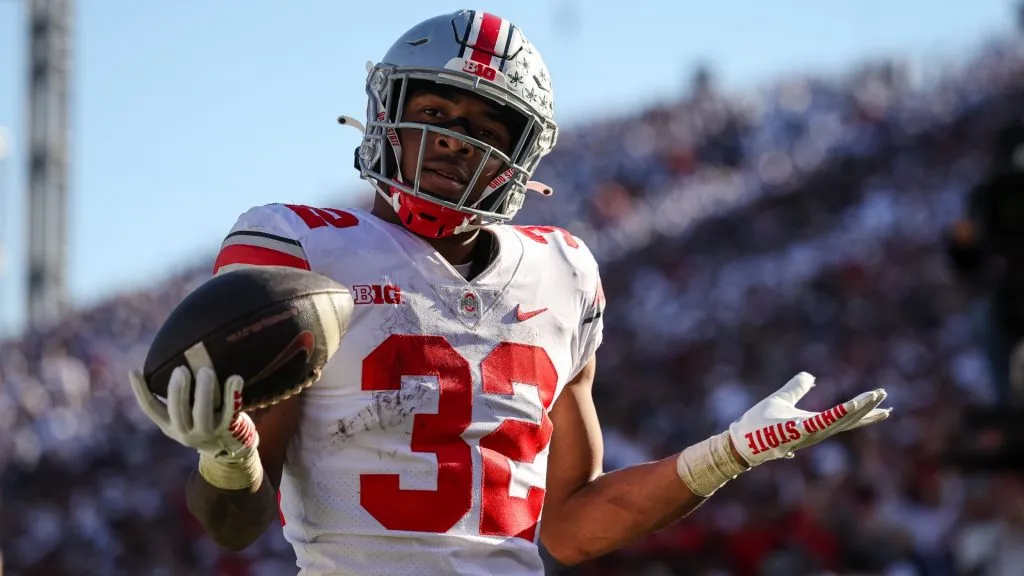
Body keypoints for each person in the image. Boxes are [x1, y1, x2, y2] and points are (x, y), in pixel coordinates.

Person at [128, 10, 891, 575]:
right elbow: (236, 524)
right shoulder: (300, 248)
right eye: (434, 114)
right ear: (386, 116)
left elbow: (571, 525)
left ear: (522, 158)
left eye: (486, 127)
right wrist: (230, 463)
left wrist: (724, 456)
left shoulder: (564, 272)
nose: (456, 140)